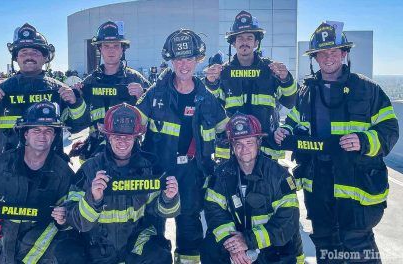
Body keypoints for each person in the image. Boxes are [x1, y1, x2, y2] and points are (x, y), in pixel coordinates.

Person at [275, 22, 399, 263]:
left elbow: (390, 129)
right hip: (318, 187)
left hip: (357, 186)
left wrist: (364, 140)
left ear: (344, 54)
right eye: (323, 53)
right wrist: (284, 131)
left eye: (334, 52)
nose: (328, 57)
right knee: (325, 245)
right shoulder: (306, 92)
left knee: (358, 247)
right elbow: (292, 120)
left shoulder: (368, 90)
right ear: (316, 58)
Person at [136, 29, 229, 263]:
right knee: (153, 230)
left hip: (192, 174)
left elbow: (228, 132)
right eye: (178, 59)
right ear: (171, 60)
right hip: (157, 173)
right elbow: (130, 127)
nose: (184, 65)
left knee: (190, 233)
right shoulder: (154, 94)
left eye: (189, 59)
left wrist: (223, 169)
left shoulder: (208, 99)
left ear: (198, 60)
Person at [0, 101, 85, 263]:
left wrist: (65, 217)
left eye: (48, 131)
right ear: (25, 133)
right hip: (0, 252)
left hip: (43, 255)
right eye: (36, 130)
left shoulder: (64, 173)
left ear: (55, 136)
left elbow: (74, 215)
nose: (42, 136)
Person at [64, 103, 180, 263]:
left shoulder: (148, 169)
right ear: (108, 137)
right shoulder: (89, 169)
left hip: (136, 244)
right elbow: (75, 221)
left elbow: (161, 212)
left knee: (160, 256)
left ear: (136, 138)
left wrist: (169, 198)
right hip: (98, 248)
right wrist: (93, 199)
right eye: (117, 136)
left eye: (128, 137)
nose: (122, 142)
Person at [0, 23, 89, 156]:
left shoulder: (58, 90)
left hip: (49, 167)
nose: (29, 56)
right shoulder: (0, 90)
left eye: (35, 52)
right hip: (6, 167)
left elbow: (78, 126)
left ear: (45, 57)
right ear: (16, 58)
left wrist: (75, 103)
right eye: (23, 52)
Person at [201, 113, 303, 264]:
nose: (244, 149)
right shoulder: (220, 175)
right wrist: (233, 245)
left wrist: (248, 240)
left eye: (249, 142)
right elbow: (214, 212)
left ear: (258, 142)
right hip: (236, 244)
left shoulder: (279, 176)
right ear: (232, 146)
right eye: (239, 144)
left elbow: (287, 221)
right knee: (210, 247)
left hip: (270, 245)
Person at [220, 10, 297, 160]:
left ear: (256, 42)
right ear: (233, 42)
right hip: (234, 146)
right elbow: (214, 106)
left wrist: (286, 79)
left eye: (249, 38)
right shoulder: (224, 73)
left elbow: (290, 101)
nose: (244, 42)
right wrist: (211, 83)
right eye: (240, 38)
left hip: (266, 147)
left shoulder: (270, 70)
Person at [70, 20, 149, 162]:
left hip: (128, 149)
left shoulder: (136, 79)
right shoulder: (89, 82)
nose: (111, 50)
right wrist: (76, 99)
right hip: (95, 149)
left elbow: (153, 118)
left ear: (122, 49)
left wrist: (142, 96)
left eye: (116, 46)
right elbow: (79, 121)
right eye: (106, 46)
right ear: (100, 49)